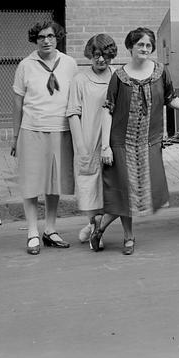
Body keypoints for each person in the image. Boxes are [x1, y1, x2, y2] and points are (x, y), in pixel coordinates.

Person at [90, 27, 179, 255]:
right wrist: (105, 146)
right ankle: (128, 237)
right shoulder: (119, 77)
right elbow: (108, 110)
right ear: (130, 47)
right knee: (126, 192)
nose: (144, 49)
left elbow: (170, 99)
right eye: (140, 45)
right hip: (121, 143)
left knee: (146, 192)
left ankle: (100, 226)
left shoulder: (160, 72)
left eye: (148, 45)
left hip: (149, 143)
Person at [11, 20, 78, 255]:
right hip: (32, 129)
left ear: (57, 37)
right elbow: (18, 104)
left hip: (61, 130)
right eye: (41, 37)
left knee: (54, 183)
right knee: (31, 183)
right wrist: (15, 136)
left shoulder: (69, 64)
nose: (46, 41)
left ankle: (50, 229)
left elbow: (76, 99)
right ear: (35, 40)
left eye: (50, 36)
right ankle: (32, 232)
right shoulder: (25, 66)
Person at [66, 33, 118, 249]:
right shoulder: (80, 79)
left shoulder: (118, 76)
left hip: (112, 139)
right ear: (90, 54)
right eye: (96, 55)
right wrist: (80, 146)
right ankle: (93, 225)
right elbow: (73, 112)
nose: (100, 60)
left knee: (112, 185)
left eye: (105, 56)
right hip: (87, 138)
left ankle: (98, 227)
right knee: (89, 184)